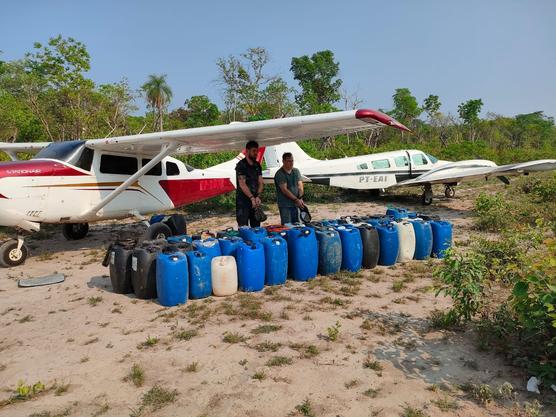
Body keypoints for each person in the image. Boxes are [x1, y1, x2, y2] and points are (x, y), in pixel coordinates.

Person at [235, 140, 264, 227]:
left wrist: (258, 196)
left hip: (255, 201)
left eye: (257, 151)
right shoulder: (241, 165)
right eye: (254, 151)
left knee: (256, 227)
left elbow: (261, 182)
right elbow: (242, 184)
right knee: (244, 227)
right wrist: (251, 198)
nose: (256, 153)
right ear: (247, 151)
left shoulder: (257, 165)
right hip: (243, 201)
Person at [274, 152, 304, 224]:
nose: (291, 163)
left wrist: (300, 198)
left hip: (296, 204)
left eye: (292, 160)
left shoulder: (296, 171)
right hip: (285, 205)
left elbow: (300, 185)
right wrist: (296, 200)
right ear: (283, 161)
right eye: (289, 161)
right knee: (287, 226)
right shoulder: (280, 173)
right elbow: (284, 189)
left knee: (298, 224)